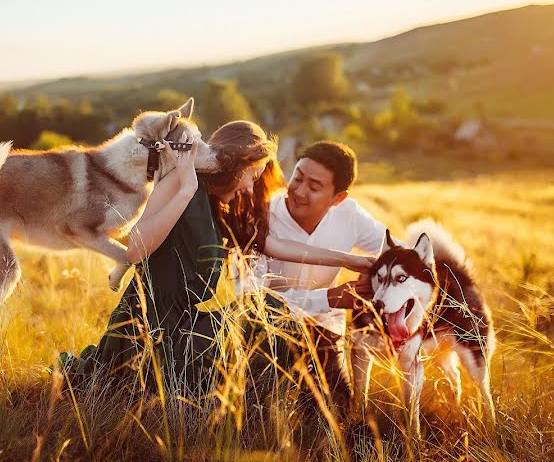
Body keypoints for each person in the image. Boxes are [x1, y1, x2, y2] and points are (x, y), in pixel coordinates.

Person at [63, 122, 371, 395]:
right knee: (268, 311)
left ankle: (259, 403)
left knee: (271, 311)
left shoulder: (219, 209)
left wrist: (347, 260)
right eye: (251, 175)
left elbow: (273, 245)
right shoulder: (180, 182)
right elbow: (135, 249)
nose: (251, 186)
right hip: (148, 329)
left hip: (185, 326)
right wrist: (186, 189)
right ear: (235, 165)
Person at [251, 141, 393, 409]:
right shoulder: (263, 215)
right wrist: (330, 297)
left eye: (314, 186)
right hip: (267, 332)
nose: (299, 191)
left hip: (324, 330)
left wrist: (373, 278)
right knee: (262, 407)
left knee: (334, 411)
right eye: (297, 177)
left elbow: (398, 251)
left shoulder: (349, 215)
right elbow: (256, 300)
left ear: (338, 198)